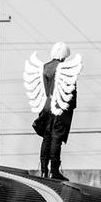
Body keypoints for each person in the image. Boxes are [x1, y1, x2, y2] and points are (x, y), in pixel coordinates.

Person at [38, 42, 78, 180]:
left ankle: (44, 170)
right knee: (57, 139)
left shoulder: (45, 67)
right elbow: (71, 91)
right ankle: (54, 171)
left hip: (47, 108)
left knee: (47, 137)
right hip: (60, 108)